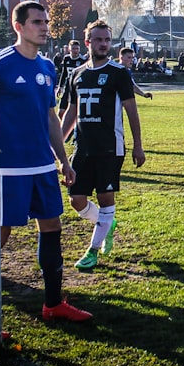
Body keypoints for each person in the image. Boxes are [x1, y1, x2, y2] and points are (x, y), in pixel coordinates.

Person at [0, 1, 91, 339]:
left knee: (51, 228)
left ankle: (52, 304)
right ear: (18, 25)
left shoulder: (48, 67)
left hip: (43, 166)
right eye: (37, 22)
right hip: (8, 171)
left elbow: (51, 117)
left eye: (46, 21)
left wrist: (63, 160)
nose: (45, 27)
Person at [61, 21, 146, 271]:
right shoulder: (76, 74)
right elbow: (71, 112)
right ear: (88, 42)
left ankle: (93, 250)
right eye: (98, 40)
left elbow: (132, 111)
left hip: (110, 147)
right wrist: (58, 144)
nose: (104, 44)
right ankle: (106, 224)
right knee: (76, 199)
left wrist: (138, 146)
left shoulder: (118, 73)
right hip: (83, 148)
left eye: (107, 40)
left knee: (105, 197)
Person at [54, 39, 87, 115]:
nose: (75, 51)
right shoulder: (66, 59)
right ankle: (68, 127)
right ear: (69, 49)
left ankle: (74, 126)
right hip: (68, 87)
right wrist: (60, 87)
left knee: (76, 112)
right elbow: (64, 73)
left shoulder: (82, 60)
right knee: (61, 112)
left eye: (77, 49)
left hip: (77, 88)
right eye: (73, 49)